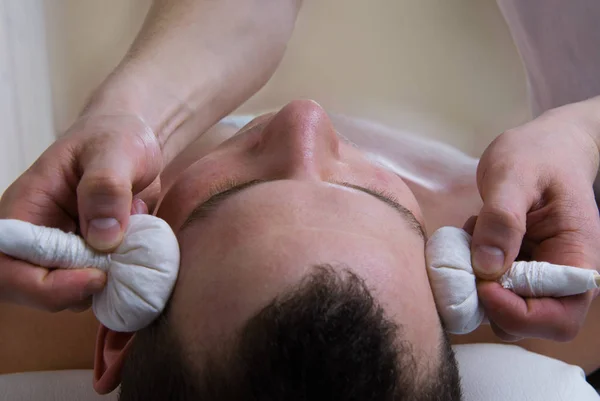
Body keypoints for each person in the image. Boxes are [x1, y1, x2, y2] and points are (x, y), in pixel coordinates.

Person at [0, 0, 599, 396]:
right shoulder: (553, 295)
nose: (304, 118)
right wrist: (579, 134)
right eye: (377, 197)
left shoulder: (29, 305)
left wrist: (129, 114)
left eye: (237, 189)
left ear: (120, 329)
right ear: (455, 295)